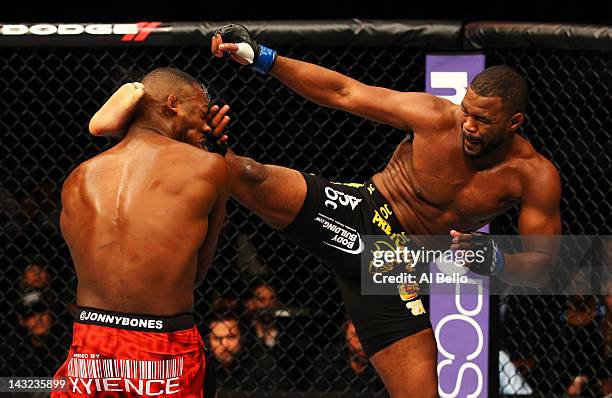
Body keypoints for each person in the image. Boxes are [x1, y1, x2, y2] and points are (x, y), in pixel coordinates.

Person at [90, 24, 562, 395]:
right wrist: (265, 59)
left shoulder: (534, 176)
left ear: (514, 122)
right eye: (467, 111)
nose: (469, 126)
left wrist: (497, 260)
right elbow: (345, 92)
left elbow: (544, 268)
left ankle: (203, 151)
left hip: (395, 261)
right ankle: (184, 140)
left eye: (483, 120)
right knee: (243, 172)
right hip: (362, 209)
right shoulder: (437, 118)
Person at [52, 68, 229, 397]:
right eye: (203, 112)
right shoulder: (208, 167)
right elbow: (198, 271)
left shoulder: (78, 177)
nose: (207, 125)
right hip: (162, 348)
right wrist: (215, 156)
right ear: (172, 103)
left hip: (90, 346)